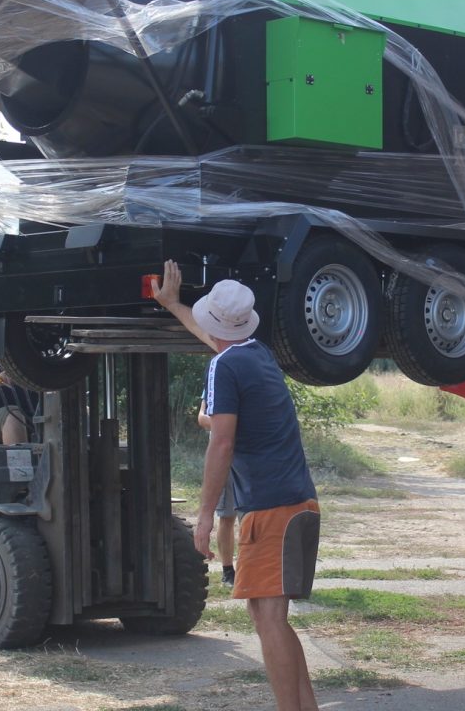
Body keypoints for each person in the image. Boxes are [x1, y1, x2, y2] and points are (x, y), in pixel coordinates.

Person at [154, 260, 320, 711]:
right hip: (298, 503)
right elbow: (211, 338)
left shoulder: (225, 366)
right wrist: (173, 305)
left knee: (269, 621)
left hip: (272, 509)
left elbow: (221, 443)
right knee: (271, 620)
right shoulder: (255, 353)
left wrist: (205, 516)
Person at [197, 400, 240, 586]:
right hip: (225, 459)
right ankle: (228, 571)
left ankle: (251, 570)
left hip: (252, 457)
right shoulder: (217, 378)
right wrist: (228, 423)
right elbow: (202, 418)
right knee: (227, 516)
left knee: (254, 517)